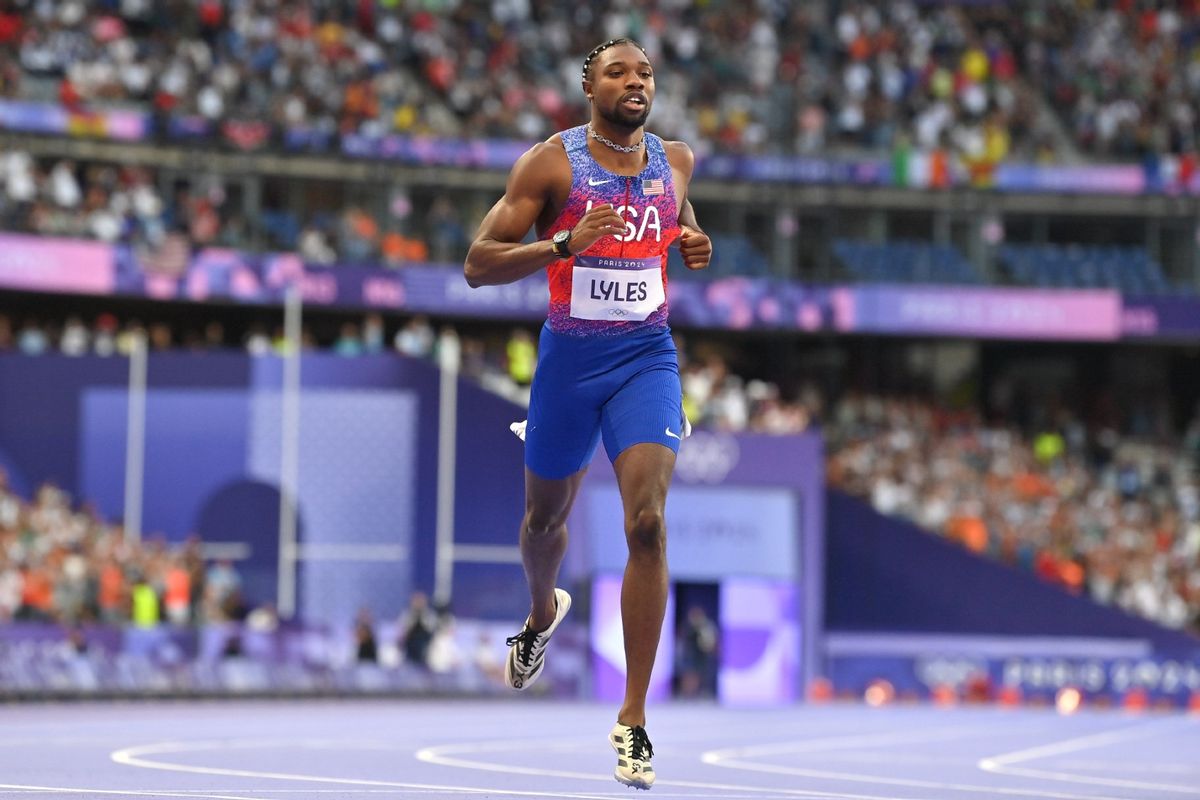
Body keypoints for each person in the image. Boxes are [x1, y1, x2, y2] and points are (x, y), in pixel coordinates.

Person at [464, 37, 712, 790]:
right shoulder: (551, 164)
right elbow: (478, 262)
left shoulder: (677, 160)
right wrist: (563, 242)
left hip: (646, 357)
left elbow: (676, 220)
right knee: (544, 523)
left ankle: (632, 720)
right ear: (589, 86)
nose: (635, 81)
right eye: (618, 71)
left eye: (644, 72)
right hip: (570, 365)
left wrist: (693, 240)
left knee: (647, 524)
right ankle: (541, 616)